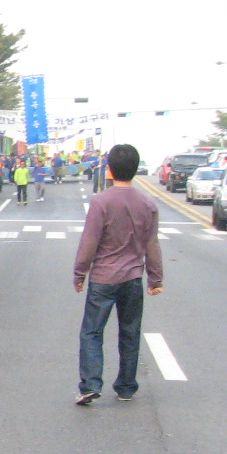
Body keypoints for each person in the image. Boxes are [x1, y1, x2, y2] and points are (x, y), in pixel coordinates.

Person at [73, 144, 163, 405]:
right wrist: (156, 279)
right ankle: (125, 386)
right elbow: (152, 244)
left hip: (102, 278)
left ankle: (90, 384)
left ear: (109, 169)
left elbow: (90, 241)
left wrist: (80, 273)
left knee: (92, 331)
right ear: (135, 169)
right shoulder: (147, 202)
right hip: (133, 278)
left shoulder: (102, 201)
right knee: (130, 332)